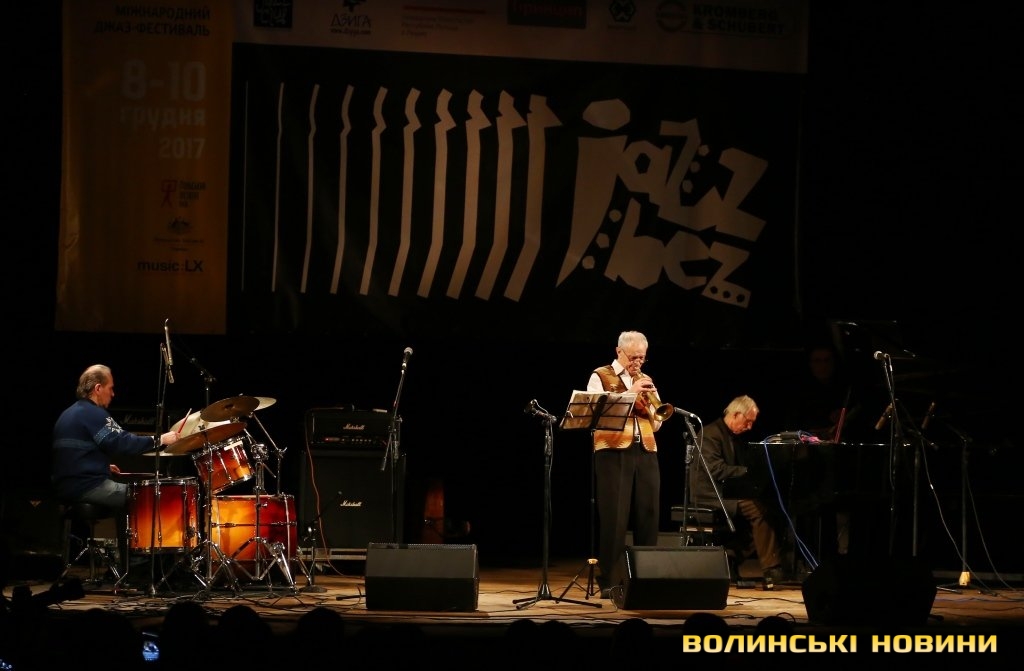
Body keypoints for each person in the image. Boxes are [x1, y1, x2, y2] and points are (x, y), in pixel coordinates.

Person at [51, 364, 180, 574]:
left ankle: (131, 562)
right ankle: (137, 565)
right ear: (98, 388)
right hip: (85, 486)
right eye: (110, 388)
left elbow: (72, 454)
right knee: (143, 497)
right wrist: (160, 440)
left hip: (67, 485)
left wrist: (101, 465)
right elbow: (122, 443)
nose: (113, 394)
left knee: (132, 493)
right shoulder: (93, 413)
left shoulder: (69, 413)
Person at [587, 330, 664, 598]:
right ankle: (609, 580)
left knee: (649, 514)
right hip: (613, 451)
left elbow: (657, 423)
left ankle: (646, 578)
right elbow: (597, 415)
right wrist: (630, 394)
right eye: (633, 357)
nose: (638, 363)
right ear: (619, 352)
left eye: (642, 358)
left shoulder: (646, 379)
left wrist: (649, 410)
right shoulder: (600, 376)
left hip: (646, 450)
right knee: (615, 517)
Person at [688, 394, 786, 587]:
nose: (750, 427)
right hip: (710, 494)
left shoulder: (735, 437)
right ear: (735, 414)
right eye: (748, 421)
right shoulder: (709, 434)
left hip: (729, 492)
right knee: (758, 509)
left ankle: (731, 556)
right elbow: (717, 470)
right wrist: (749, 471)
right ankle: (771, 568)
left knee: (772, 507)